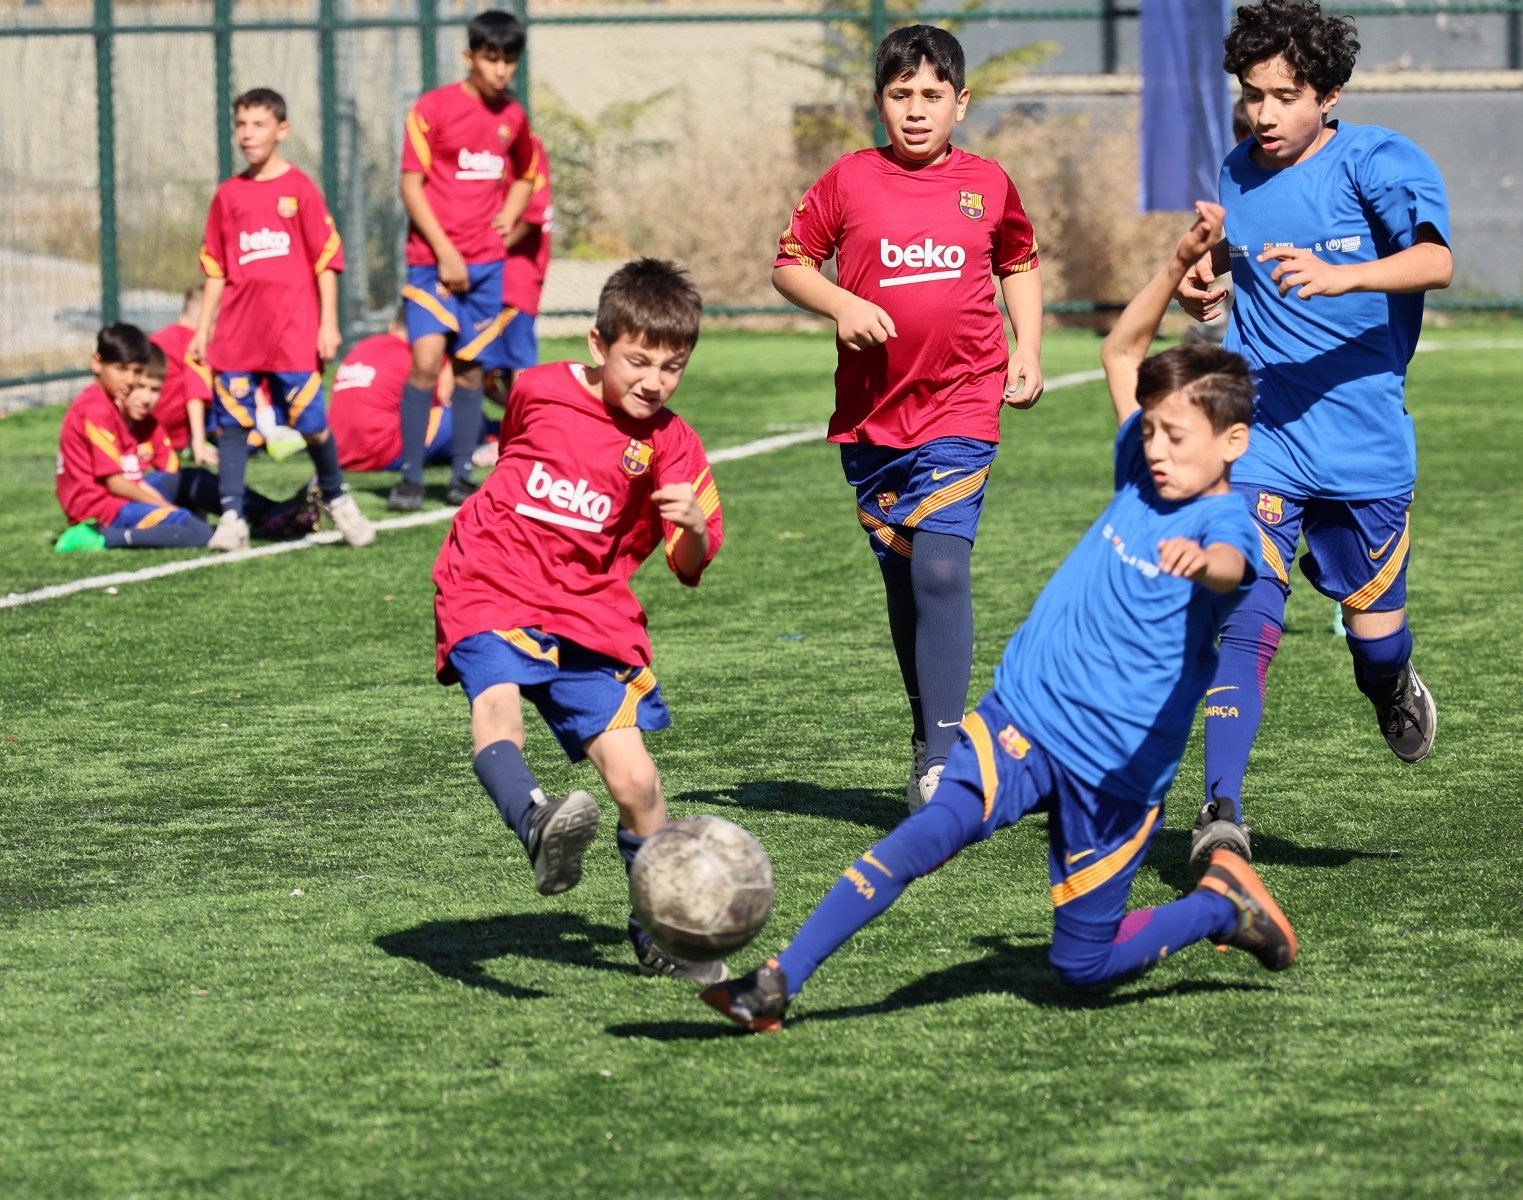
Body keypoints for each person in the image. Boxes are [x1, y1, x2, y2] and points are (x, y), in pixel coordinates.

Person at [702, 203, 1298, 1034]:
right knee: (930, 830)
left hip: (1116, 771)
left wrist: (1208, 566)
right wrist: (1173, 265)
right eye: (1151, 431)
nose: (1155, 448)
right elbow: (1121, 350)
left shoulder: (1224, 525)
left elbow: (1237, 569)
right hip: (1029, 710)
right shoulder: (1140, 472)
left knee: (1080, 966)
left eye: (1177, 437)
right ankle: (776, 982)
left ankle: (1215, 909)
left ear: (1233, 443)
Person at [1176, 0, 1452, 874]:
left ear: (1327, 95)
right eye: (1250, 95)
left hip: (1365, 446)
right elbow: (1237, 263)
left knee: (1374, 641)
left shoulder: (1379, 160)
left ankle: (1391, 687)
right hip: (1262, 437)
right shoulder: (1236, 170)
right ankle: (1220, 810)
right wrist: (1203, 284)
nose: (1262, 114)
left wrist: (1344, 276)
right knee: (1244, 616)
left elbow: (1434, 262)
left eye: (1283, 96)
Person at [773, 24, 1044, 811]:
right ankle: (927, 730)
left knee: (938, 566)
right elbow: (790, 262)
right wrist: (841, 302)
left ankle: (944, 755)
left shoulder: (987, 183)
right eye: (901, 96)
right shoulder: (849, 181)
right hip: (873, 416)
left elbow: (1017, 261)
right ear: (878, 101)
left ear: (960, 104)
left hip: (963, 399)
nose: (916, 111)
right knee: (903, 576)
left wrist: (1025, 346)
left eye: (932, 96)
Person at [431, 259, 726, 982]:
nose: (653, 380)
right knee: (497, 703)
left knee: (638, 784)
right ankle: (533, 817)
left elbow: (690, 563)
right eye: (637, 361)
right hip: (489, 578)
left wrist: (688, 523)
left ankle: (657, 922)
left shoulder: (672, 445)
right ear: (597, 345)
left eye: (672, 366)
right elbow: (515, 455)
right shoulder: (536, 389)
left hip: (588, 609)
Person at [189, 86, 375, 553]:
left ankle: (336, 494)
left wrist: (328, 323)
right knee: (232, 423)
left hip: (293, 333)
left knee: (311, 421)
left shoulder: (300, 191)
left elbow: (326, 260)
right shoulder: (228, 195)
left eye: (258, 125)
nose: (248, 134)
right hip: (237, 334)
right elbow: (215, 267)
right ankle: (232, 517)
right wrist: (202, 328)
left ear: (282, 130)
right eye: (241, 125)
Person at [391, 9, 538, 513]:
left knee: (474, 370)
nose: (500, 70)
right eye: (490, 58)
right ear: (469, 56)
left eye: (509, 61)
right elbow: (411, 186)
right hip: (431, 263)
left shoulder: (514, 117)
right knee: (426, 361)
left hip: (487, 267)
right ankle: (410, 478)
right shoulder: (432, 109)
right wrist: (446, 252)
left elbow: (526, 174)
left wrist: (511, 213)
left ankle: (459, 477)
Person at [53, 329, 313, 551]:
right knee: (193, 529)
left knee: (194, 479)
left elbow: (170, 473)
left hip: (127, 494)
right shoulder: (96, 409)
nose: (138, 391)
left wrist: (186, 500)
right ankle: (101, 537)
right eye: (125, 373)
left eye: (151, 388)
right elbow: (117, 483)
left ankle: (272, 513)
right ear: (98, 364)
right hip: (101, 509)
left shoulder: (144, 422)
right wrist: (168, 508)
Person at [328, 307, 456, 474]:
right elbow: (443, 397)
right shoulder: (418, 357)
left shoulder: (364, 345)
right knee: (463, 414)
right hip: (382, 453)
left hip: (338, 453)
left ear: (392, 326)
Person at [149, 284, 217, 462]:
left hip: (145, 426)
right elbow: (195, 394)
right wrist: (199, 444)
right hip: (170, 431)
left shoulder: (158, 337)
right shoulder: (194, 344)